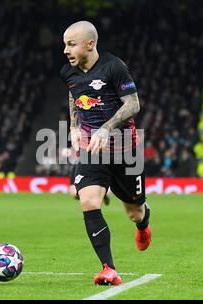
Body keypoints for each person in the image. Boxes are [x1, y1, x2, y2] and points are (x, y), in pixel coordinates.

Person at [60, 21, 152, 285]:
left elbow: (133, 104)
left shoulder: (114, 67)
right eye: (65, 44)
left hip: (125, 151)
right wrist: (75, 126)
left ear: (90, 44)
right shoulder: (68, 72)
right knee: (87, 200)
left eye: (71, 44)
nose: (66, 50)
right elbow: (73, 96)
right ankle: (108, 268)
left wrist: (106, 128)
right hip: (92, 149)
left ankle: (144, 226)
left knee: (134, 212)